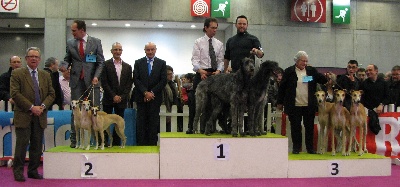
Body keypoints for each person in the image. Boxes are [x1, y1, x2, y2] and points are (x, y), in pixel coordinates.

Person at [10, 47, 55, 182]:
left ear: (40, 59)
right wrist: (31, 107)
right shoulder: (17, 73)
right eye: (31, 56)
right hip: (24, 115)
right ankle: (18, 171)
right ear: (26, 59)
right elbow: (15, 94)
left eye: (36, 57)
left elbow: (51, 94)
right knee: (22, 145)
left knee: (37, 145)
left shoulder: (45, 75)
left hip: (40, 115)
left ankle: (33, 170)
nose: (34, 59)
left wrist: (42, 107)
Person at [62, 20, 104, 148]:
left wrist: (96, 76)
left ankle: (94, 141)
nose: (72, 33)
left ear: (82, 30)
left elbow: (100, 62)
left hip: (92, 82)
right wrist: (63, 67)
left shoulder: (96, 42)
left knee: (94, 110)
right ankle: (74, 140)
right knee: (75, 110)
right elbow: (66, 59)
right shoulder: (70, 43)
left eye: (74, 30)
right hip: (76, 82)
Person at [277, 51, 328, 154]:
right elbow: (282, 88)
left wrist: (326, 76)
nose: (304, 63)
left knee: (309, 127)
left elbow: (322, 80)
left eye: (306, 61)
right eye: (302, 61)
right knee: (295, 128)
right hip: (294, 105)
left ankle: (310, 148)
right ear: (296, 60)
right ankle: (296, 148)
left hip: (308, 105)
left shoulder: (311, 71)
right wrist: (280, 102)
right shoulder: (289, 71)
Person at [188, 17, 224, 134]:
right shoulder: (198, 42)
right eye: (212, 28)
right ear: (206, 28)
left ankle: (209, 128)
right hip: (201, 73)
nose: (215, 30)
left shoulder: (219, 44)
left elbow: (221, 61)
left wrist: (219, 71)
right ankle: (191, 127)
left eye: (216, 28)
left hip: (215, 75)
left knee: (212, 103)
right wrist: (201, 71)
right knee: (196, 103)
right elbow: (194, 60)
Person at [133, 42, 167, 146]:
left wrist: (151, 93)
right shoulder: (138, 62)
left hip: (154, 98)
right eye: (148, 50)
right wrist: (145, 92)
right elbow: (136, 79)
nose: (150, 52)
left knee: (153, 123)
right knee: (141, 123)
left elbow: (163, 80)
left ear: (155, 50)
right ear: (145, 50)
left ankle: (152, 146)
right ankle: (141, 147)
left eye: (152, 49)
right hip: (141, 97)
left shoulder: (161, 63)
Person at [101, 42, 133, 146]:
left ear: (122, 51)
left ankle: (116, 144)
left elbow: (129, 84)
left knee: (118, 125)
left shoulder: (128, 67)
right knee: (104, 124)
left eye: (119, 50)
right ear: (111, 51)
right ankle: (104, 143)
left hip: (122, 100)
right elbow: (104, 82)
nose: (117, 52)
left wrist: (121, 97)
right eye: (115, 49)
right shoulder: (105, 65)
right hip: (108, 99)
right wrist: (113, 96)